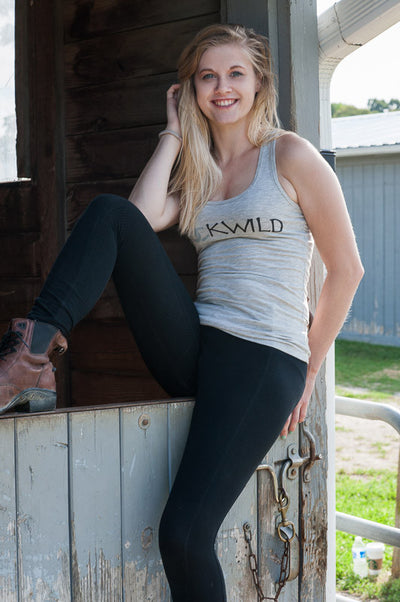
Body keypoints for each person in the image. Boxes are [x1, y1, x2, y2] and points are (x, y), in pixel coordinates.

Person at [0, 23, 363, 601]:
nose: (222, 87)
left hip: (265, 358)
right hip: (199, 345)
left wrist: (310, 370)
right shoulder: (199, 173)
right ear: (190, 89)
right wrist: (171, 135)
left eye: (235, 74)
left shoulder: (290, 156)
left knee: (185, 535)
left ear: (259, 83)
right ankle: (32, 355)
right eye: (207, 76)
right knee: (109, 212)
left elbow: (347, 270)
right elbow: (134, 222)